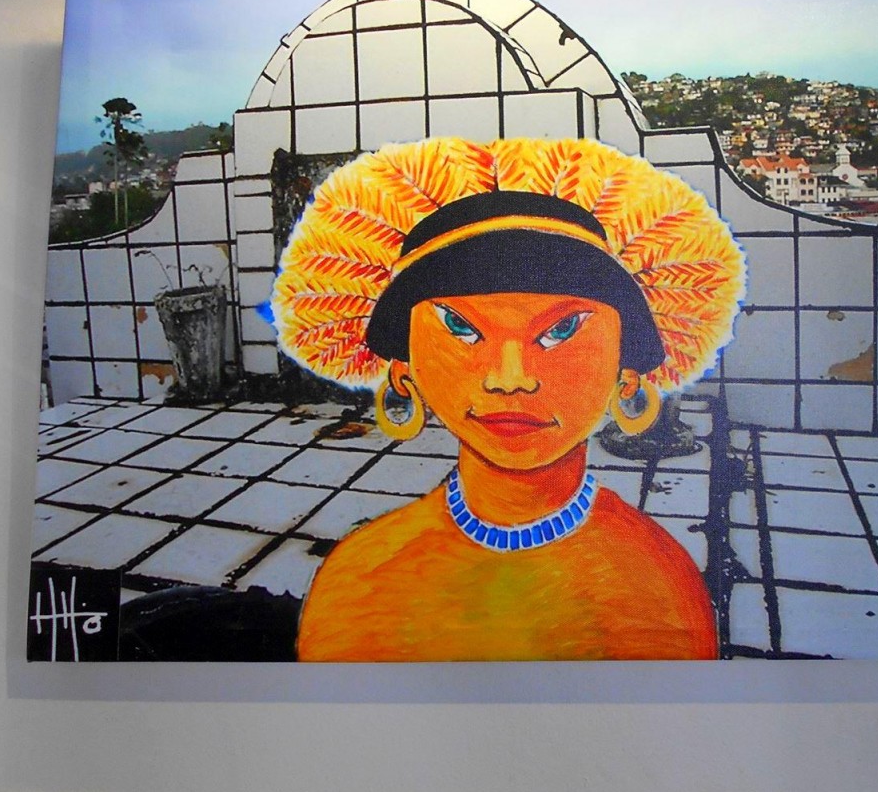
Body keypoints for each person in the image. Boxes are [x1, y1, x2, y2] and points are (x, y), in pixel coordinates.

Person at [271, 137, 746, 661]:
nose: (509, 378)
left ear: (626, 375)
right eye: (460, 327)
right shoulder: (357, 582)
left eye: (562, 330)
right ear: (405, 373)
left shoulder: (662, 593)